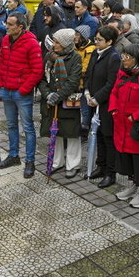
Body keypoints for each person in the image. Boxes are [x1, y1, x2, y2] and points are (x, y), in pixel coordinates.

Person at [0, 11, 44, 178]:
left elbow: (37, 70)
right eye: (6, 23)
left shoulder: (31, 44)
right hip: (7, 91)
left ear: (20, 27)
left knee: (28, 128)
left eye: (10, 25)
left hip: (21, 93)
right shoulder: (5, 40)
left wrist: (23, 89)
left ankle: (30, 161)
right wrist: (1, 84)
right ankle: (13, 155)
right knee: (11, 125)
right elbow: (2, 63)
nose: (6, 27)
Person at [110, 45, 139, 208]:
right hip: (121, 123)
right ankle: (133, 185)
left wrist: (136, 116)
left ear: (137, 58)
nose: (124, 60)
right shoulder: (122, 73)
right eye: (123, 56)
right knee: (126, 157)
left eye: (127, 57)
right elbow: (114, 92)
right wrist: (114, 109)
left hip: (137, 126)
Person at [39, 29, 83, 179]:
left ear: (65, 44)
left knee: (71, 132)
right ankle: (57, 162)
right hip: (51, 101)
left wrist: (58, 96)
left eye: (57, 42)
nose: (54, 44)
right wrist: (48, 94)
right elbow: (42, 78)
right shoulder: (48, 56)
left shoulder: (75, 57)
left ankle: (73, 164)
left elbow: (73, 81)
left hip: (68, 101)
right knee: (54, 131)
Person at [84, 26, 121, 187]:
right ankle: (101, 165)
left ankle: (110, 173)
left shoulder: (113, 57)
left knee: (108, 137)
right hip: (92, 101)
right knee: (97, 135)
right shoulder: (95, 52)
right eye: (96, 39)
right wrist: (86, 91)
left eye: (99, 40)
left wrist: (97, 98)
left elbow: (111, 83)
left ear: (109, 41)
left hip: (106, 105)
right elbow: (88, 74)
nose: (96, 42)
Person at [75, 26, 96, 137]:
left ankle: (84, 130)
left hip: (84, 84)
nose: (75, 37)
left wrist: (74, 70)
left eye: (77, 35)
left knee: (85, 109)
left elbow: (85, 67)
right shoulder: (76, 47)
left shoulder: (90, 49)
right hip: (76, 83)